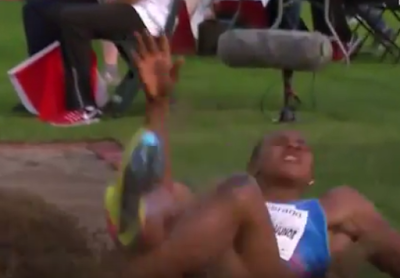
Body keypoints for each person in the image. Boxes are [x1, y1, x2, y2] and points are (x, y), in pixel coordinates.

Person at [106, 32, 400, 278]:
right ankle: (137, 221)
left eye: (302, 145)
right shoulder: (219, 207)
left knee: (235, 194)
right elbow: (166, 193)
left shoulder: (334, 206)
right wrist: (158, 105)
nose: (294, 145)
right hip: (227, 265)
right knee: (174, 198)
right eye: (280, 142)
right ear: (254, 164)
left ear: (312, 178)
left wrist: (364, 247)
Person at [42, 0, 173, 126]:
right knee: (66, 16)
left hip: (143, 17)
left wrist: (110, 3)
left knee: (72, 18)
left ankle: (85, 106)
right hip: (139, 14)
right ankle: (76, 102)